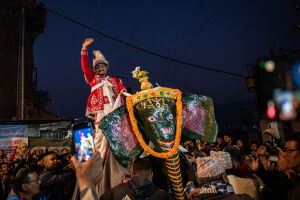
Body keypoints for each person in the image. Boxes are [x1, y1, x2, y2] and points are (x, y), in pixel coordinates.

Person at [81, 38, 129, 194]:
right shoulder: (92, 79)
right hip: (101, 113)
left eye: (103, 65)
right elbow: (85, 67)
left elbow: (122, 90)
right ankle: (97, 166)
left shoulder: (114, 80)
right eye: (98, 66)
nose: (100, 68)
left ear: (107, 67)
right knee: (100, 139)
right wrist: (84, 49)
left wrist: (124, 93)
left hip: (115, 113)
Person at [99, 158, 170, 200]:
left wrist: (123, 186)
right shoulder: (162, 196)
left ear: (132, 174)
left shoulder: (115, 193)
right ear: (151, 175)